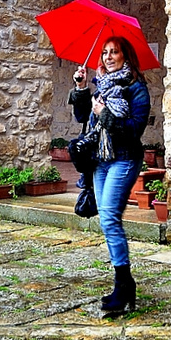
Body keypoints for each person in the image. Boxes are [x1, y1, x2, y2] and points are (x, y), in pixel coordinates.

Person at [69, 36, 150, 313]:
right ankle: (124, 284)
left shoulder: (136, 89)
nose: (108, 57)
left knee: (110, 218)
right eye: (104, 52)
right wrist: (81, 88)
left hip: (124, 159)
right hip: (100, 161)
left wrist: (104, 114)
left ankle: (123, 284)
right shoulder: (100, 86)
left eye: (114, 52)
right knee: (106, 219)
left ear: (125, 56)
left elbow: (134, 130)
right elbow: (82, 117)